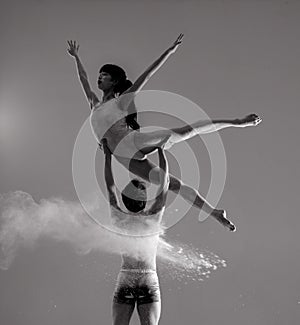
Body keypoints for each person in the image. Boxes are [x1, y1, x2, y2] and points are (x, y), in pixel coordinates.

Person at [67, 35, 262, 231]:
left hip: (133, 142)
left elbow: (147, 75)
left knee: (188, 130)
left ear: (115, 81)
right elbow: (83, 79)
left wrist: (169, 52)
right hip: (123, 157)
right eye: (99, 74)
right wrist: (76, 57)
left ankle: (238, 122)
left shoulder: (121, 102)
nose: (99, 77)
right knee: (172, 184)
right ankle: (215, 213)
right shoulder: (94, 103)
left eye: (104, 75)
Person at [102, 139, 168, 325]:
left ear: (125, 198)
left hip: (127, 276)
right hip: (148, 277)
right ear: (144, 201)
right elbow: (165, 183)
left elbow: (110, 186)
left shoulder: (118, 217)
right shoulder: (153, 217)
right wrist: (161, 152)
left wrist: (107, 156)